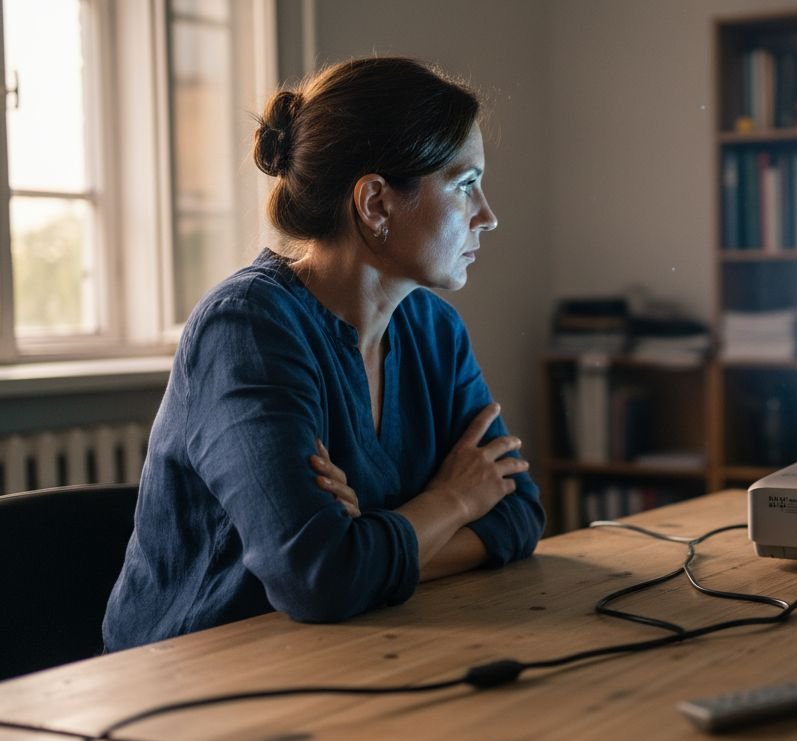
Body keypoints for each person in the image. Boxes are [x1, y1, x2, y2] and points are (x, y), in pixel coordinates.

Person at [103, 57, 544, 651]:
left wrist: (369, 542)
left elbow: (518, 517)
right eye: (465, 185)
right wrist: (453, 500)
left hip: (349, 651)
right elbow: (320, 578)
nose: (487, 216)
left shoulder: (434, 330)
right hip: (189, 679)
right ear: (376, 203)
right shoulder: (246, 330)